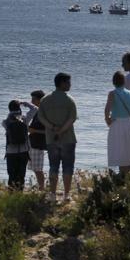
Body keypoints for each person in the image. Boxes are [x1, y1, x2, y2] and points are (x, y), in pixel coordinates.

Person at [38, 72, 78, 203]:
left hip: (51, 138)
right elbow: (72, 119)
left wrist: (52, 128)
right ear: (62, 83)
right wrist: (62, 130)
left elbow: (41, 118)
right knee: (68, 167)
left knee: (53, 166)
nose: (70, 85)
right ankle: (66, 195)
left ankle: (53, 194)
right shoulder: (69, 100)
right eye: (68, 82)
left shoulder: (45, 100)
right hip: (68, 138)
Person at [3, 100, 30, 191]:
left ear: (9, 109)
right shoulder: (25, 119)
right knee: (21, 174)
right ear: (19, 108)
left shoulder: (6, 121)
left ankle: (11, 194)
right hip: (24, 151)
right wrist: (25, 103)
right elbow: (35, 109)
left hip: (11, 152)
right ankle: (19, 193)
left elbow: (7, 125)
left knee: (11, 175)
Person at [22, 90, 46, 191]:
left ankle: (42, 188)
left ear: (39, 100)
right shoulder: (38, 111)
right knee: (35, 168)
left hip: (38, 143)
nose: (31, 101)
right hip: (33, 142)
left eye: (33, 99)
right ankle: (41, 187)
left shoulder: (44, 112)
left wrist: (33, 130)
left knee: (38, 169)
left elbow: (48, 131)